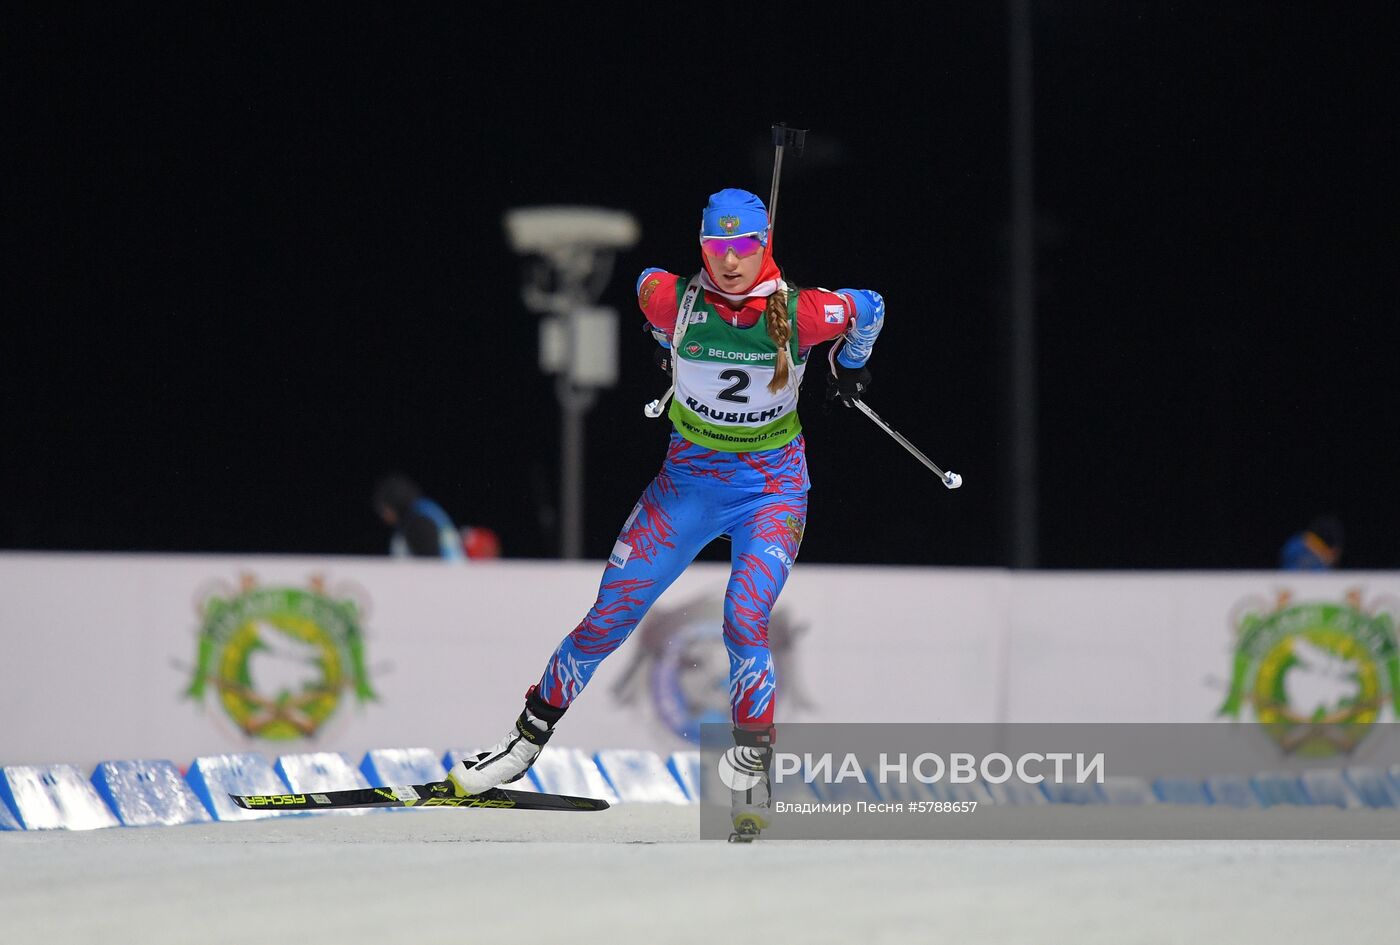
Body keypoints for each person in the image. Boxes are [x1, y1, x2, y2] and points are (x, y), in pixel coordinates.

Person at [449, 188, 884, 839]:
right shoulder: (671, 300)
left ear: (763, 244)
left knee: (744, 619)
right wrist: (662, 342)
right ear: (702, 246)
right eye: (717, 247)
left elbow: (871, 308)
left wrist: (850, 366)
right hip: (685, 488)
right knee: (607, 618)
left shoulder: (803, 311)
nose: (731, 262)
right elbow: (646, 290)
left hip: (770, 492)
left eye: (744, 248)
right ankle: (522, 744)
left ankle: (753, 771)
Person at [372, 473, 465, 560]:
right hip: (453, 571)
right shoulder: (425, 508)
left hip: (445, 574)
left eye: (384, 510)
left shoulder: (419, 522)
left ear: (395, 503)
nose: (384, 516)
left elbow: (430, 563)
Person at [1279, 515, 1344, 570]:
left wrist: (1326, 556)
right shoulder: (1296, 544)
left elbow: (1331, 560)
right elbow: (1285, 559)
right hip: (1292, 579)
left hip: (1317, 581)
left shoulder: (1325, 563)